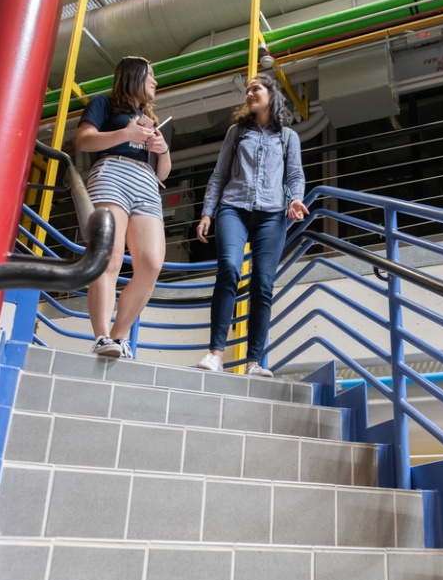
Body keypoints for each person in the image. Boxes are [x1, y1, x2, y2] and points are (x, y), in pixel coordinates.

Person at [194, 74, 308, 377]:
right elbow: (219, 175)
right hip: (234, 208)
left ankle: (254, 362)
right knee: (229, 268)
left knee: (263, 284)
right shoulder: (237, 132)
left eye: (255, 89)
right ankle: (215, 354)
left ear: (272, 94)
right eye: (247, 91)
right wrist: (207, 213)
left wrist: (296, 199)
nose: (249, 94)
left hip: (272, 214)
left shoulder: (288, 137)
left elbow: (295, 175)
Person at [76, 56, 171, 358]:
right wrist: (126, 134)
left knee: (152, 263)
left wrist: (162, 148)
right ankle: (102, 335)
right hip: (112, 173)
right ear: (133, 76)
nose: (155, 82)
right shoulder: (103, 104)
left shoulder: (150, 119)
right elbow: (84, 140)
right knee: (110, 258)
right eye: (150, 75)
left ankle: (118, 337)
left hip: (146, 182)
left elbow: (163, 173)